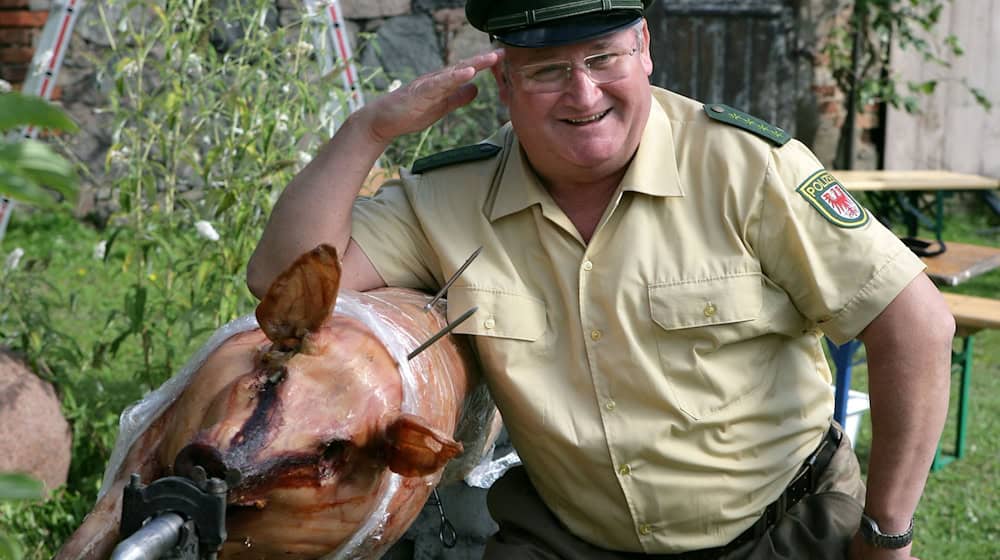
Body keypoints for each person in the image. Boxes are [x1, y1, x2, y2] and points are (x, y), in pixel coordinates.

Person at [246, 1, 955, 558]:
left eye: (603, 56)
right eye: (548, 68)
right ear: (504, 81)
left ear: (644, 48)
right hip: (569, 539)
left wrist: (887, 530)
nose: (583, 93)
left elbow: (916, 325)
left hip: (783, 529)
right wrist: (367, 131)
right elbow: (281, 281)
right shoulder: (449, 198)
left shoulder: (748, 168)